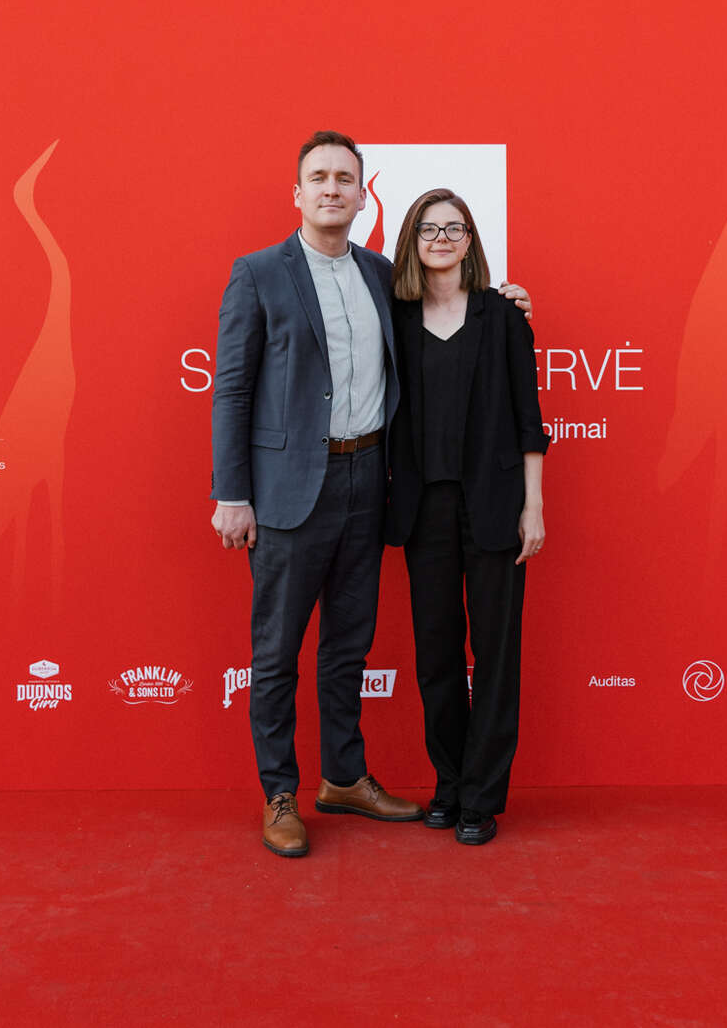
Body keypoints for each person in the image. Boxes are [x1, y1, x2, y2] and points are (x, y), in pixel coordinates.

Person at [210, 133, 529, 858]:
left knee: (349, 643)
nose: (332, 189)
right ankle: (280, 791)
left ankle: (344, 776)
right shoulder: (257, 274)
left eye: (344, 179)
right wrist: (232, 492)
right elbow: (231, 390)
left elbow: (454, 310)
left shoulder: (384, 274)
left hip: (370, 479)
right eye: (318, 177)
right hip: (289, 490)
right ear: (297, 193)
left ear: (362, 196)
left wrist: (507, 299)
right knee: (277, 650)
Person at [382, 188, 547, 847]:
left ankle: (482, 795)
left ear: (471, 240)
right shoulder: (394, 318)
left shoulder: (503, 316)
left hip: (497, 505)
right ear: (412, 240)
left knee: (496, 655)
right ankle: (448, 784)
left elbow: (529, 416)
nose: (442, 239)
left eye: (454, 228)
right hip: (423, 509)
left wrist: (534, 504)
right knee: (436, 655)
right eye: (430, 228)